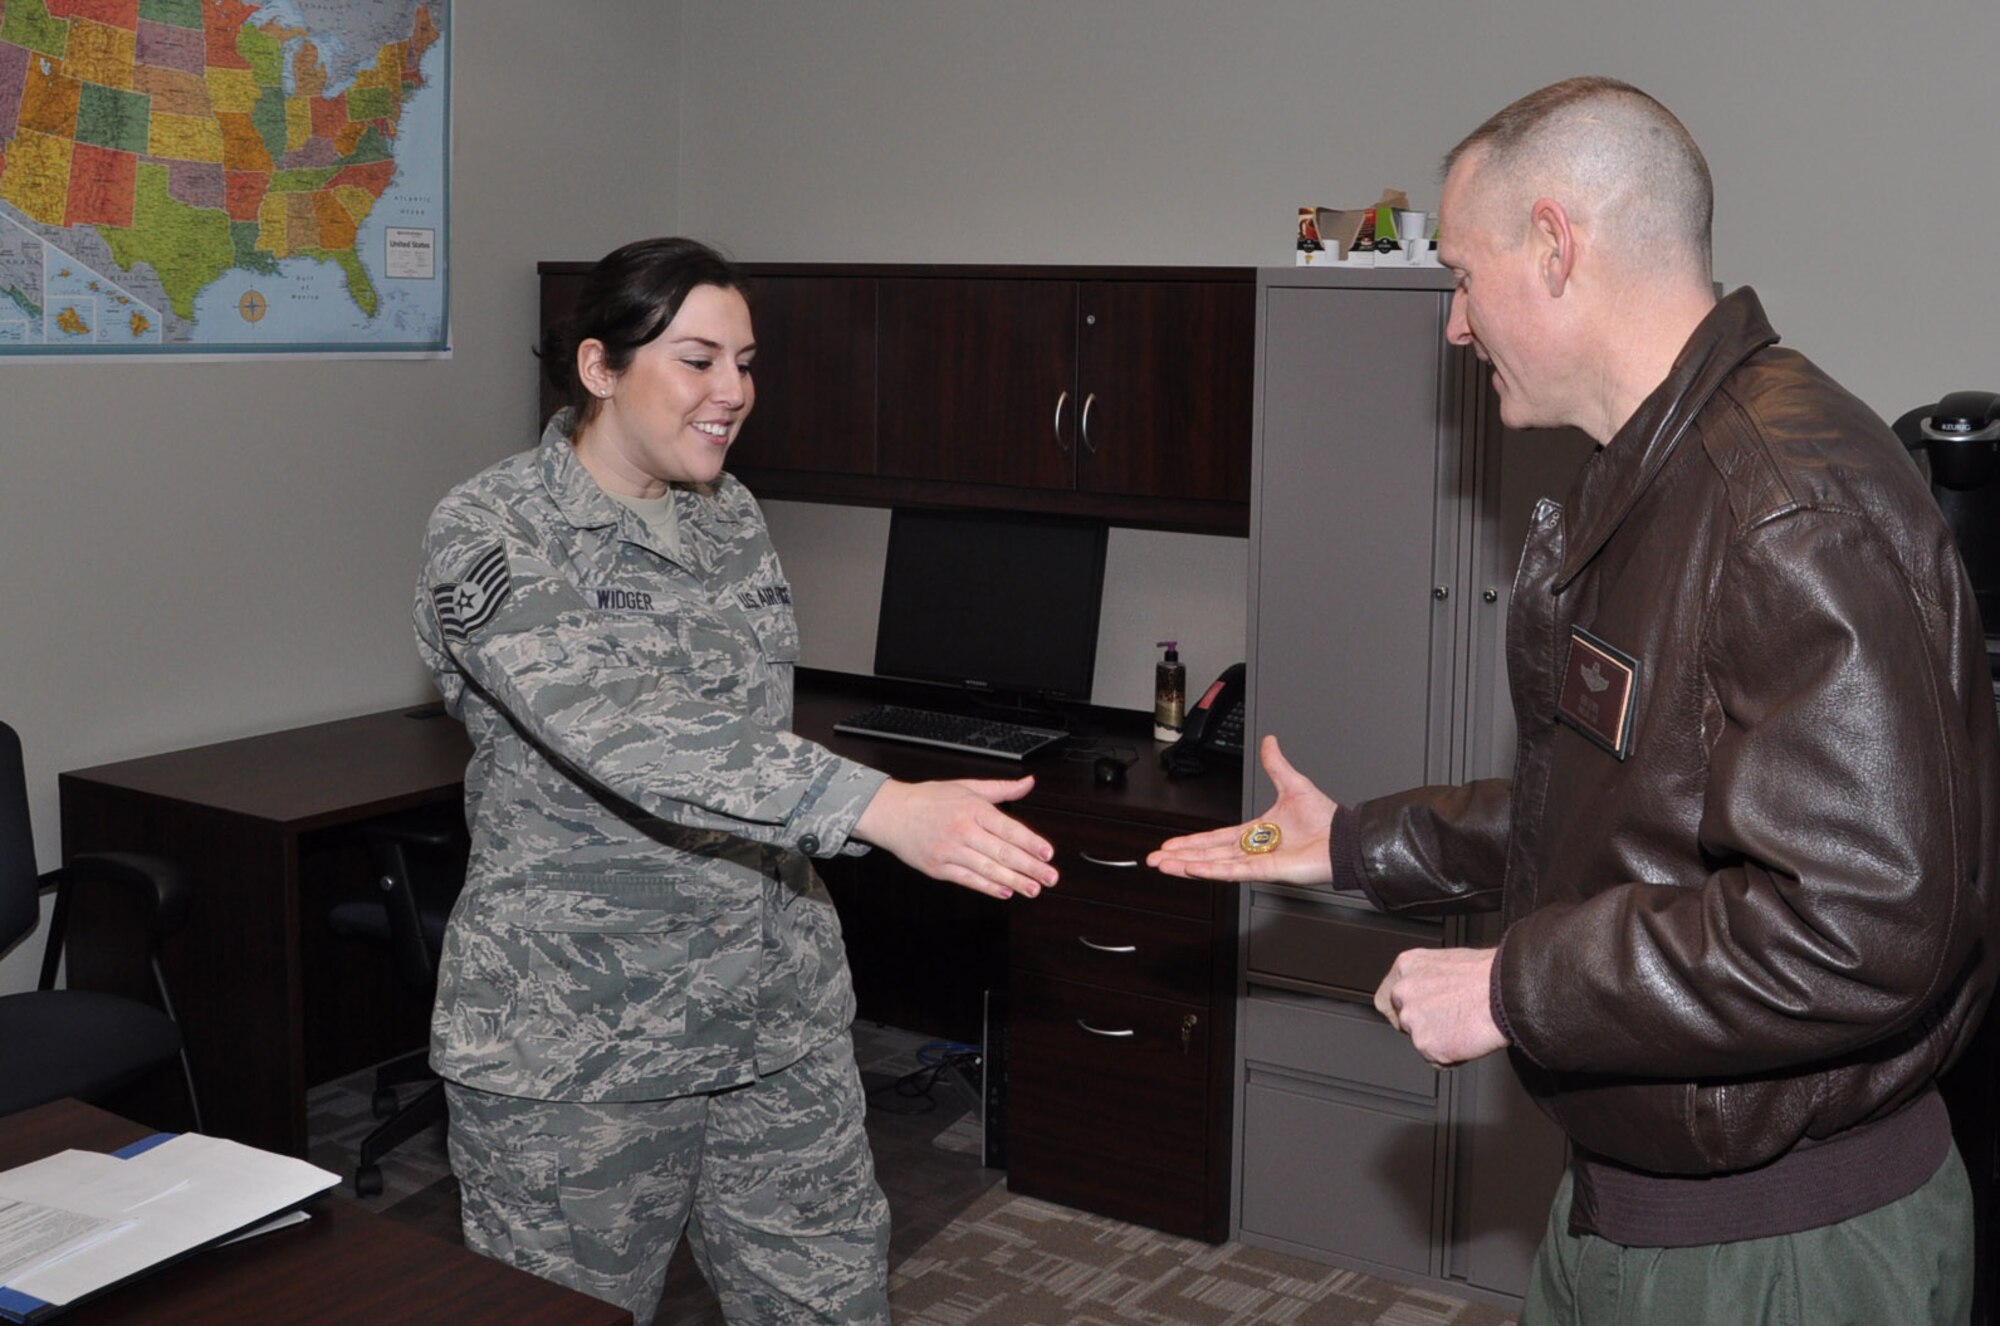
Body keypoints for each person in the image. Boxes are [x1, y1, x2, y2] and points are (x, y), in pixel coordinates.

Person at [1152, 78, 2000, 1324]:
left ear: (1552, 246)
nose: (1451, 323)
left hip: (1777, 1255)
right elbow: (1628, 812)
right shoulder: (1656, 483)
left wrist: (1512, 986)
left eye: (1460, 272)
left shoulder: (1782, 505)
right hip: (1640, 1214)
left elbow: (1857, 932)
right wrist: (1354, 843)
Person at [412, 236, 1059, 1324]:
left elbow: (742, 732)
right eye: (698, 360)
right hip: (584, 1042)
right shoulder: (493, 528)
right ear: (599, 367)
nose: (733, 393)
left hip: (775, 1017)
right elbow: (628, 732)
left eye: (746, 363)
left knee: (829, 1304)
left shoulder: (729, 516)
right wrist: (876, 804)